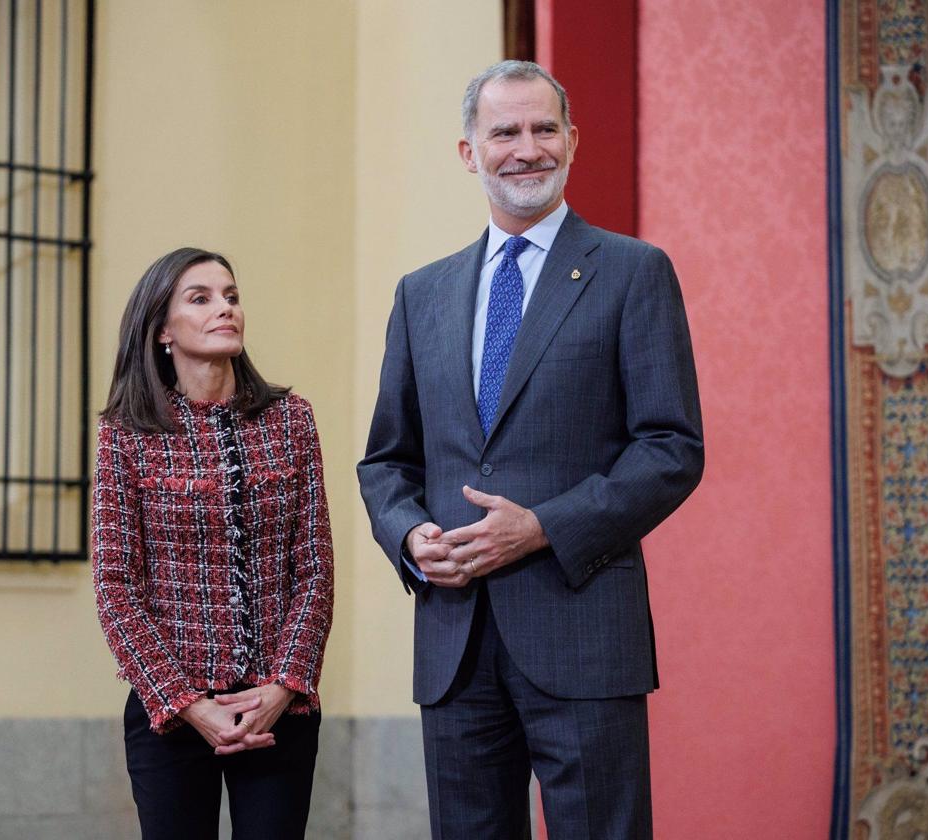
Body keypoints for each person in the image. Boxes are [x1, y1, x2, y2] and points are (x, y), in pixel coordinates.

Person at [357, 60, 704, 839]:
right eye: (504, 131)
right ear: (468, 152)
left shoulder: (633, 273)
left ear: (573, 142)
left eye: (544, 129)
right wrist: (411, 538)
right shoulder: (423, 293)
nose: (526, 148)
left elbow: (671, 447)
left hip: (582, 631)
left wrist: (543, 525)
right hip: (454, 642)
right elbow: (386, 461)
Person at [93, 247, 334, 840]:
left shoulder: (291, 419)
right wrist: (186, 702)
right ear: (161, 332)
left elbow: (315, 573)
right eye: (199, 299)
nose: (224, 308)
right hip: (171, 715)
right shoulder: (126, 435)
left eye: (230, 295)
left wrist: (282, 686)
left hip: (279, 712)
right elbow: (115, 586)